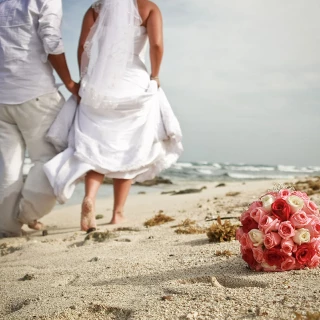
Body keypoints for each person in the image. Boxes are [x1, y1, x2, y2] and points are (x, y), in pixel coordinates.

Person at [44, 0, 183, 233]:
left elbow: (82, 47)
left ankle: (89, 197)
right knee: (129, 147)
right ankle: (117, 214)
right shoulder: (149, 8)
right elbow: (156, 45)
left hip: (100, 84)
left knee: (97, 146)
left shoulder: (95, 9)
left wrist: (86, 79)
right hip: (133, 83)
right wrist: (155, 75)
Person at [0, 0, 79, 237]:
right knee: (53, 160)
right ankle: (24, 215)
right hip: (35, 94)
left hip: (2, 98)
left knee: (7, 168)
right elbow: (52, 40)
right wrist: (69, 83)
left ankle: (7, 228)